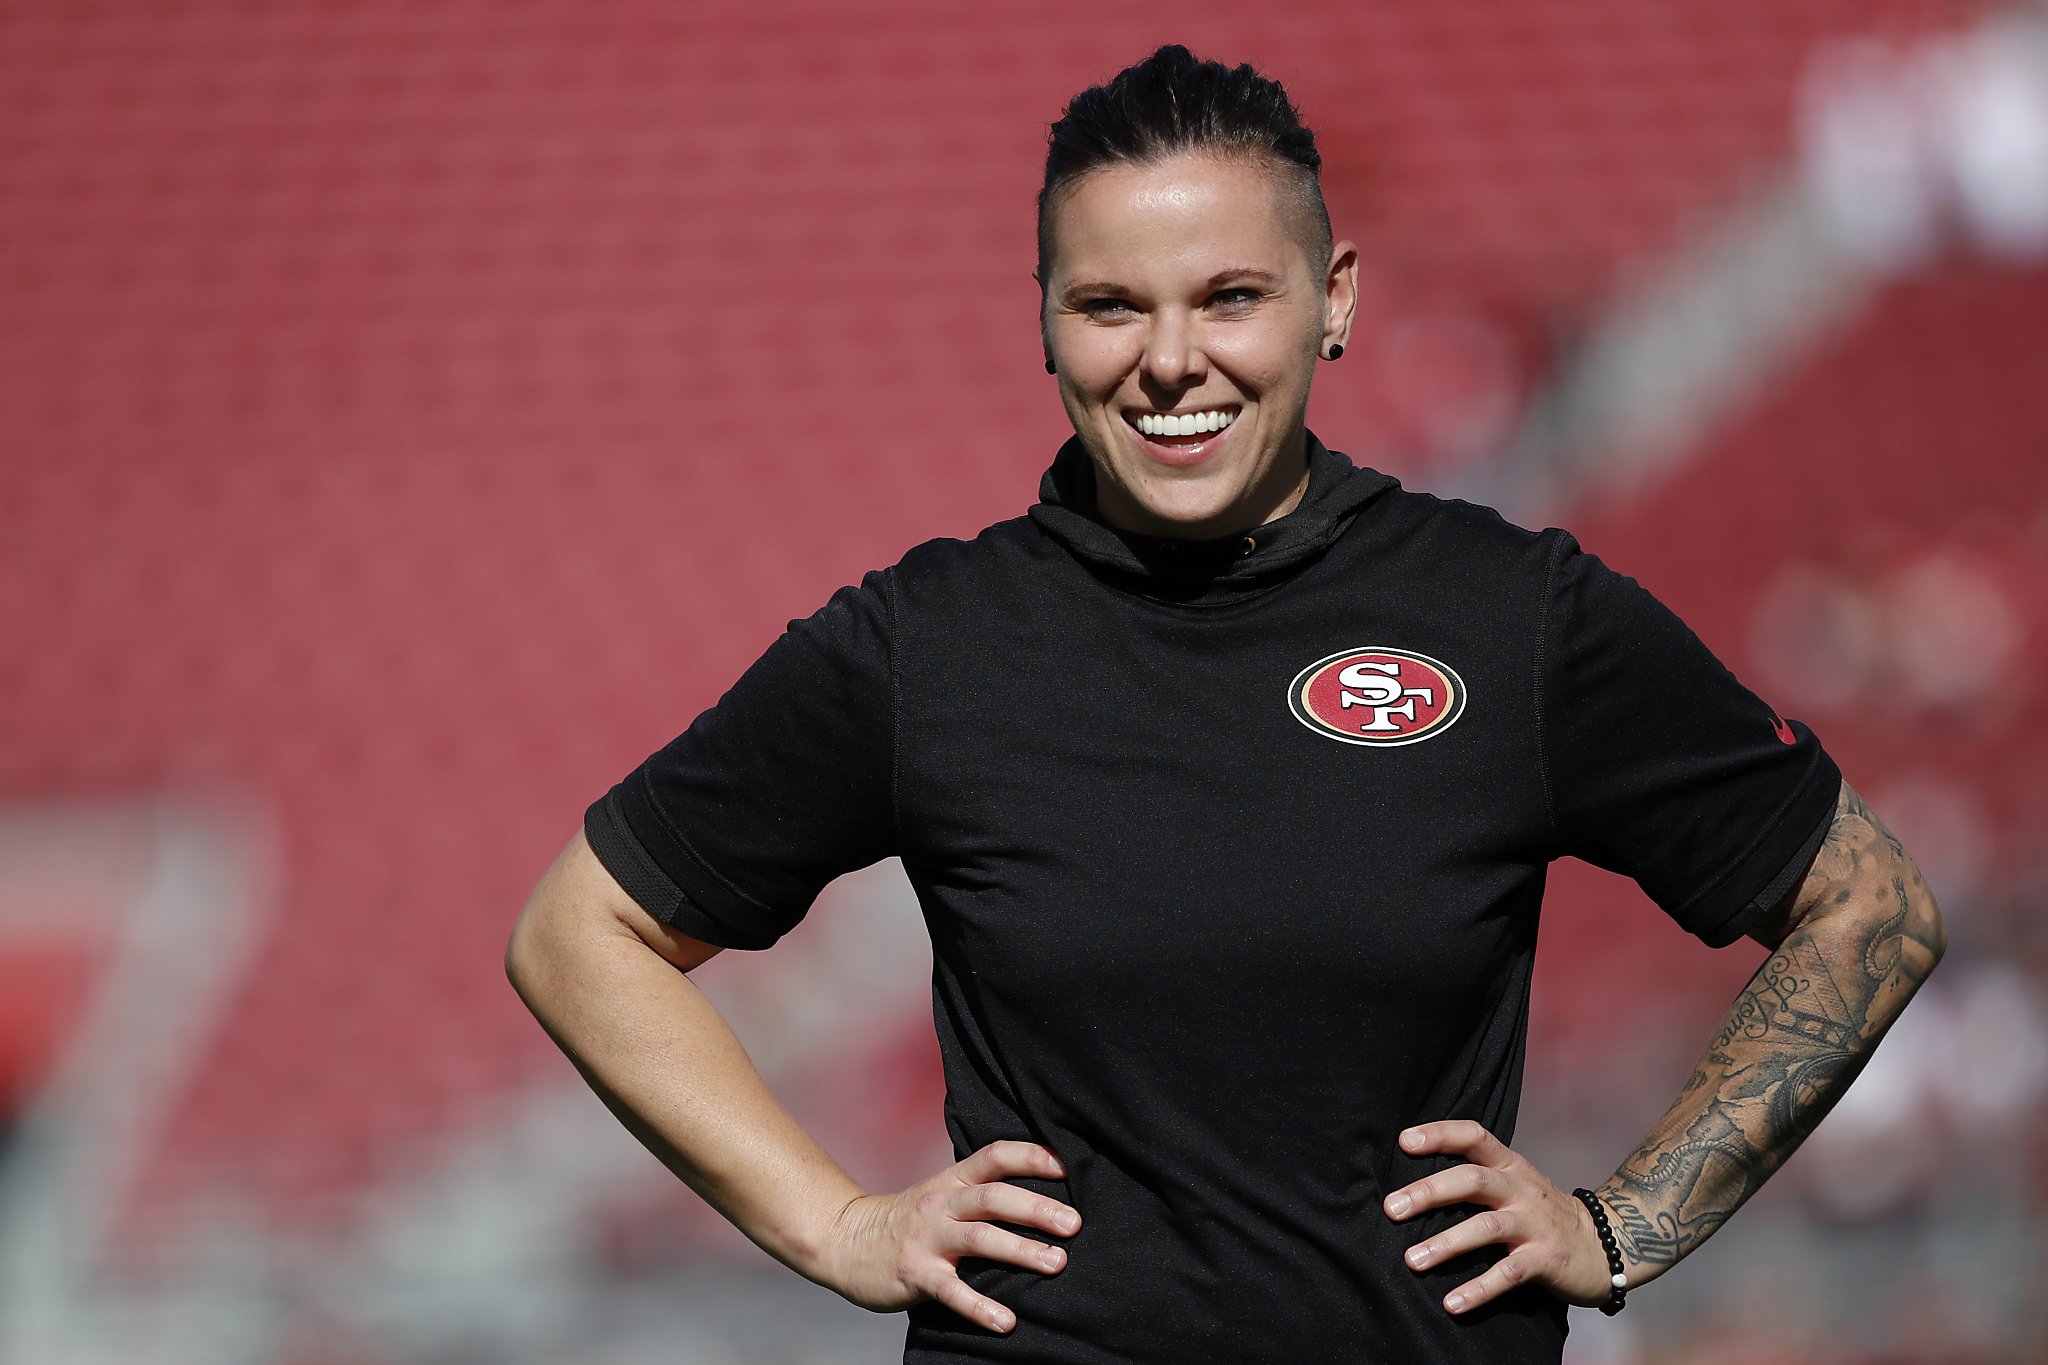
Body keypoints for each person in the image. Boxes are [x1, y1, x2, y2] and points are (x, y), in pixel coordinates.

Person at [506, 45, 1947, 1363]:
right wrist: (835, 1225)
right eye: (1110, 305)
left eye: (1231, 297)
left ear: (1337, 301)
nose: (1172, 360)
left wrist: (1628, 1222)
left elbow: (1869, 905)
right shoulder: (926, 644)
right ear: (1047, 324)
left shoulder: (1514, 617)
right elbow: (582, 934)